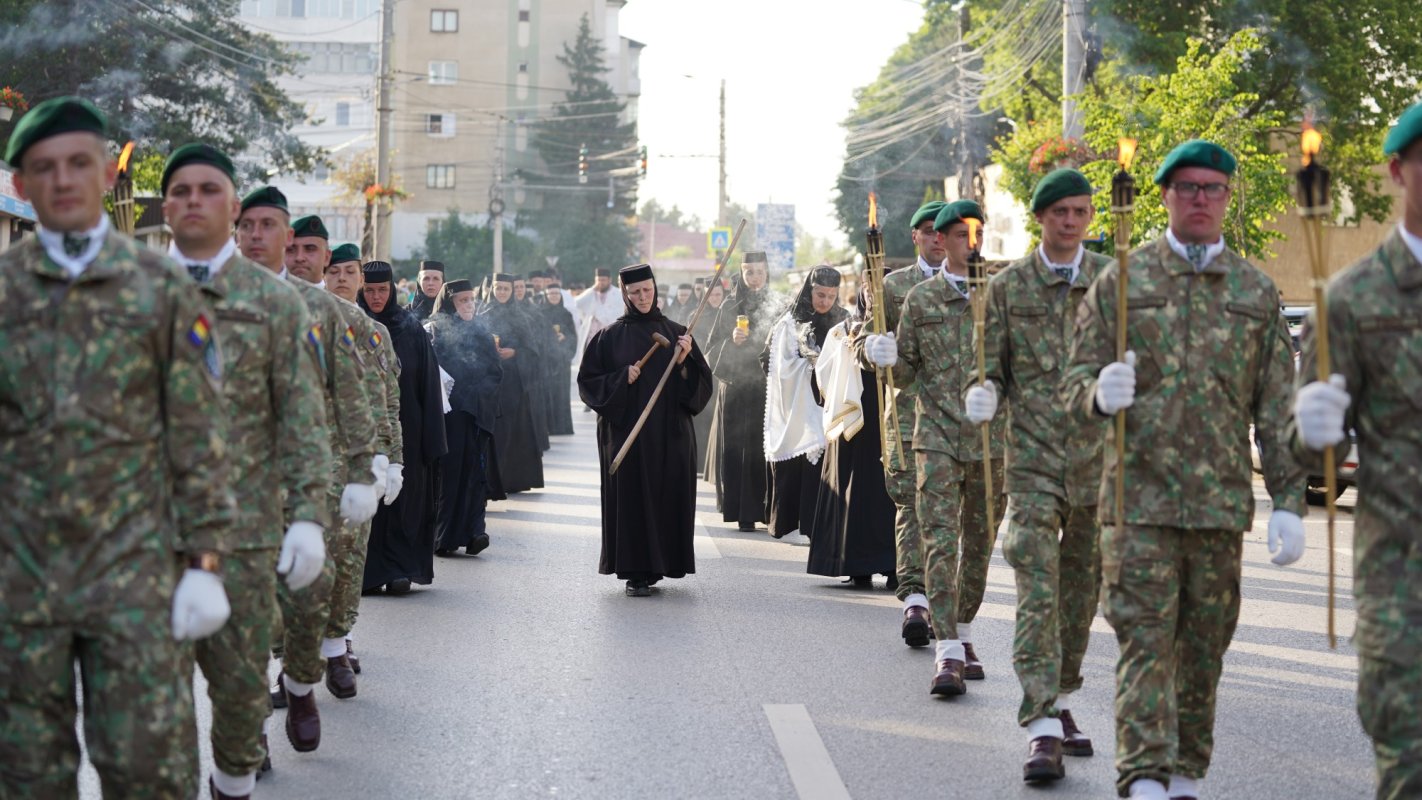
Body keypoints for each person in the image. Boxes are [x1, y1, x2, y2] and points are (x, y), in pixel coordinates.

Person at [0, 96, 234, 798]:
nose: (63, 180)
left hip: (135, 577)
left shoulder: (159, 286)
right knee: (27, 773)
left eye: (79, 163)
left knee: (147, 768)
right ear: (19, 184)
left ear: (107, 173)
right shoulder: (4, 295)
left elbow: (199, 428)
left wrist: (207, 561)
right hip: (20, 583)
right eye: (44, 167)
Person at [1062, 140, 1306, 800]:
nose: (1201, 199)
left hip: (1218, 509)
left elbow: (1276, 406)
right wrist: (1096, 392)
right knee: (1145, 643)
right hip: (1136, 507)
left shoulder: (1255, 292)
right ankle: (1143, 779)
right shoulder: (1122, 281)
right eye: (1188, 188)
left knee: (1202, 655)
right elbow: (1070, 382)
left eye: (1214, 188)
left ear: (1229, 198)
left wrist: (1289, 499)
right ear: (1165, 196)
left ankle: (1185, 776)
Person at [160, 144, 335, 798]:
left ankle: (234, 775)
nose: (195, 202)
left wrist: (311, 517)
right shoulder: (130, 291)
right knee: (146, 717)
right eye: (181, 191)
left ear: (231, 206)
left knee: (238, 702)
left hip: (245, 531)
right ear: (167, 205)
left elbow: (302, 416)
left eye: (211, 190)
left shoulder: (274, 304)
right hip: (145, 535)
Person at [1292, 103, 1422, 800]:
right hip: (1406, 580)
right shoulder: (1351, 299)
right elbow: (1308, 454)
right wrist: (1312, 430)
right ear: (1399, 171)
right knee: (1410, 766)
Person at [966, 169, 1113, 782]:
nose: (1072, 221)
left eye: (1081, 211)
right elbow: (991, 364)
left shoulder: (1113, 280)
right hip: (1030, 460)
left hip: (1096, 463)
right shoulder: (1009, 287)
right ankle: (1042, 722)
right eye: (1061, 212)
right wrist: (986, 391)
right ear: (1042, 218)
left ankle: (1061, 693)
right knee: (1037, 584)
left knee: (1082, 595)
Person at [237, 194, 380, 743]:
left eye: (268, 227)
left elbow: (354, 394)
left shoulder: (325, 311)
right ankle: (247, 739)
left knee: (302, 598)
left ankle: (300, 682)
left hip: (304, 484)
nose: (256, 237)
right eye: (245, 227)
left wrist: (370, 468)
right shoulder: (205, 301)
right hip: (236, 486)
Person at [864, 199, 1006, 697]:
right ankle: (947, 651)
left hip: (991, 443)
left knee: (979, 546)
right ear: (940, 240)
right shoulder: (920, 299)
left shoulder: (1004, 296)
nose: (971, 242)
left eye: (977, 233)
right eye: (960, 234)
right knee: (940, 542)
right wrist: (883, 355)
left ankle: (964, 631)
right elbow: (902, 376)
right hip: (934, 437)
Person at [578, 263, 713, 596]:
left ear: (656, 289)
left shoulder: (679, 333)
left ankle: (664, 563)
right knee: (633, 500)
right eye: (635, 292)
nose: (642, 297)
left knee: (667, 496)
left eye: (647, 290)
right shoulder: (608, 337)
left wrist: (683, 365)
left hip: (671, 435)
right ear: (625, 294)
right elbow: (588, 384)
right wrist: (619, 379)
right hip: (628, 435)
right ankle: (636, 572)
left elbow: (699, 390)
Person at [855, 200, 948, 647]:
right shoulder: (891, 286)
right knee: (911, 507)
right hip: (908, 418)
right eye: (929, 230)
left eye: (945, 230)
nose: (937, 238)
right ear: (915, 236)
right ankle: (915, 599)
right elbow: (861, 338)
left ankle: (944, 607)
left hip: (959, 421)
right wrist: (871, 348)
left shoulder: (976, 286)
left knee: (950, 518)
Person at [359, 261, 448, 593]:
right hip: (363, 428)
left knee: (403, 499)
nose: (376, 297)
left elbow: (428, 384)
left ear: (393, 289)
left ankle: (399, 568)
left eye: (382, 290)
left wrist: (432, 440)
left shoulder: (409, 329)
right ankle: (367, 572)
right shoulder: (352, 324)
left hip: (407, 427)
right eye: (369, 290)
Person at [806, 278, 896, 585]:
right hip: (854, 434)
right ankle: (857, 565)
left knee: (895, 496)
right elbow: (822, 376)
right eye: (870, 290)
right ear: (861, 292)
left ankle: (898, 568)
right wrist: (849, 350)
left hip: (894, 424)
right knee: (854, 494)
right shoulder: (843, 331)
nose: (875, 296)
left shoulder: (905, 327)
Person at [764, 267, 846, 539]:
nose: (825, 302)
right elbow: (772, 362)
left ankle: (817, 526)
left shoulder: (843, 321)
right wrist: (806, 367)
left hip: (829, 405)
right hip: (796, 406)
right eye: (820, 295)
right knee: (796, 465)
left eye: (831, 296)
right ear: (809, 290)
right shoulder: (790, 321)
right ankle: (790, 524)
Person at [426, 280, 502, 556]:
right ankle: (444, 536)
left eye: (471, 300)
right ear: (450, 304)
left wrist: (478, 396)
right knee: (449, 475)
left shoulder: (481, 333)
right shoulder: (435, 331)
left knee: (475, 472)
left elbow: (495, 371)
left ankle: (474, 532)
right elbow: (432, 373)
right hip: (450, 414)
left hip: (476, 413)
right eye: (463, 301)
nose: (469, 305)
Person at [706, 251, 779, 530]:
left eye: (759, 272)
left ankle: (767, 509)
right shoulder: (729, 305)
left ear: (767, 272)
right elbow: (711, 350)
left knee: (764, 450)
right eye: (749, 272)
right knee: (737, 449)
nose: (755, 278)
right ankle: (741, 512)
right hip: (736, 388)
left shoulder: (779, 304)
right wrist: (731, 342)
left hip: (765, 388)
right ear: (742, 273)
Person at [479, 273, 546, 493]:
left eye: (505, 289)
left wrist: (514, 352)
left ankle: (509, 480)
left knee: (509, 433)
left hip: (512, 384)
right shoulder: (482, 313)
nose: (501, 293)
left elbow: (533, 351)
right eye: (498, 288)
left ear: (512, 291)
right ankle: (488, 480)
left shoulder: (520, 317)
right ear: (492, 289)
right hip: (488, 382)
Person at [692, 280, 726, 473]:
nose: (714, 299)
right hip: (702, 372)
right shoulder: (695, 316)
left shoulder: (728, 315)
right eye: (710, 295)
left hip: (721, 371)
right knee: (702, 418)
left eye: (718, 295)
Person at [541, 280, 579, 435]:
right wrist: (549, 337)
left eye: (557, 293)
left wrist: (565, 336)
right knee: (547, 392)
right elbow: (537, 334)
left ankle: (562, 427)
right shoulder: (540, 313)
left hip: (562, 360)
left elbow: (573, 336)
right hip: (546, 360)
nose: (554, 296)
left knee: (562, 393)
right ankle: (548, 427)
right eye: (551, 294)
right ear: (546, 295)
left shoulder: (566, 314)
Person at [575, 267, 624, 369]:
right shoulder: (592, 293)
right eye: (598, 280)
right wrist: (592, 289)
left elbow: (613, 317)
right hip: (591, 339)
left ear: (609, 280)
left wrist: (596, 309)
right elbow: (576, 303)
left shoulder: (618, 295)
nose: (600, 283)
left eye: (603, 280)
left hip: (609, 339)